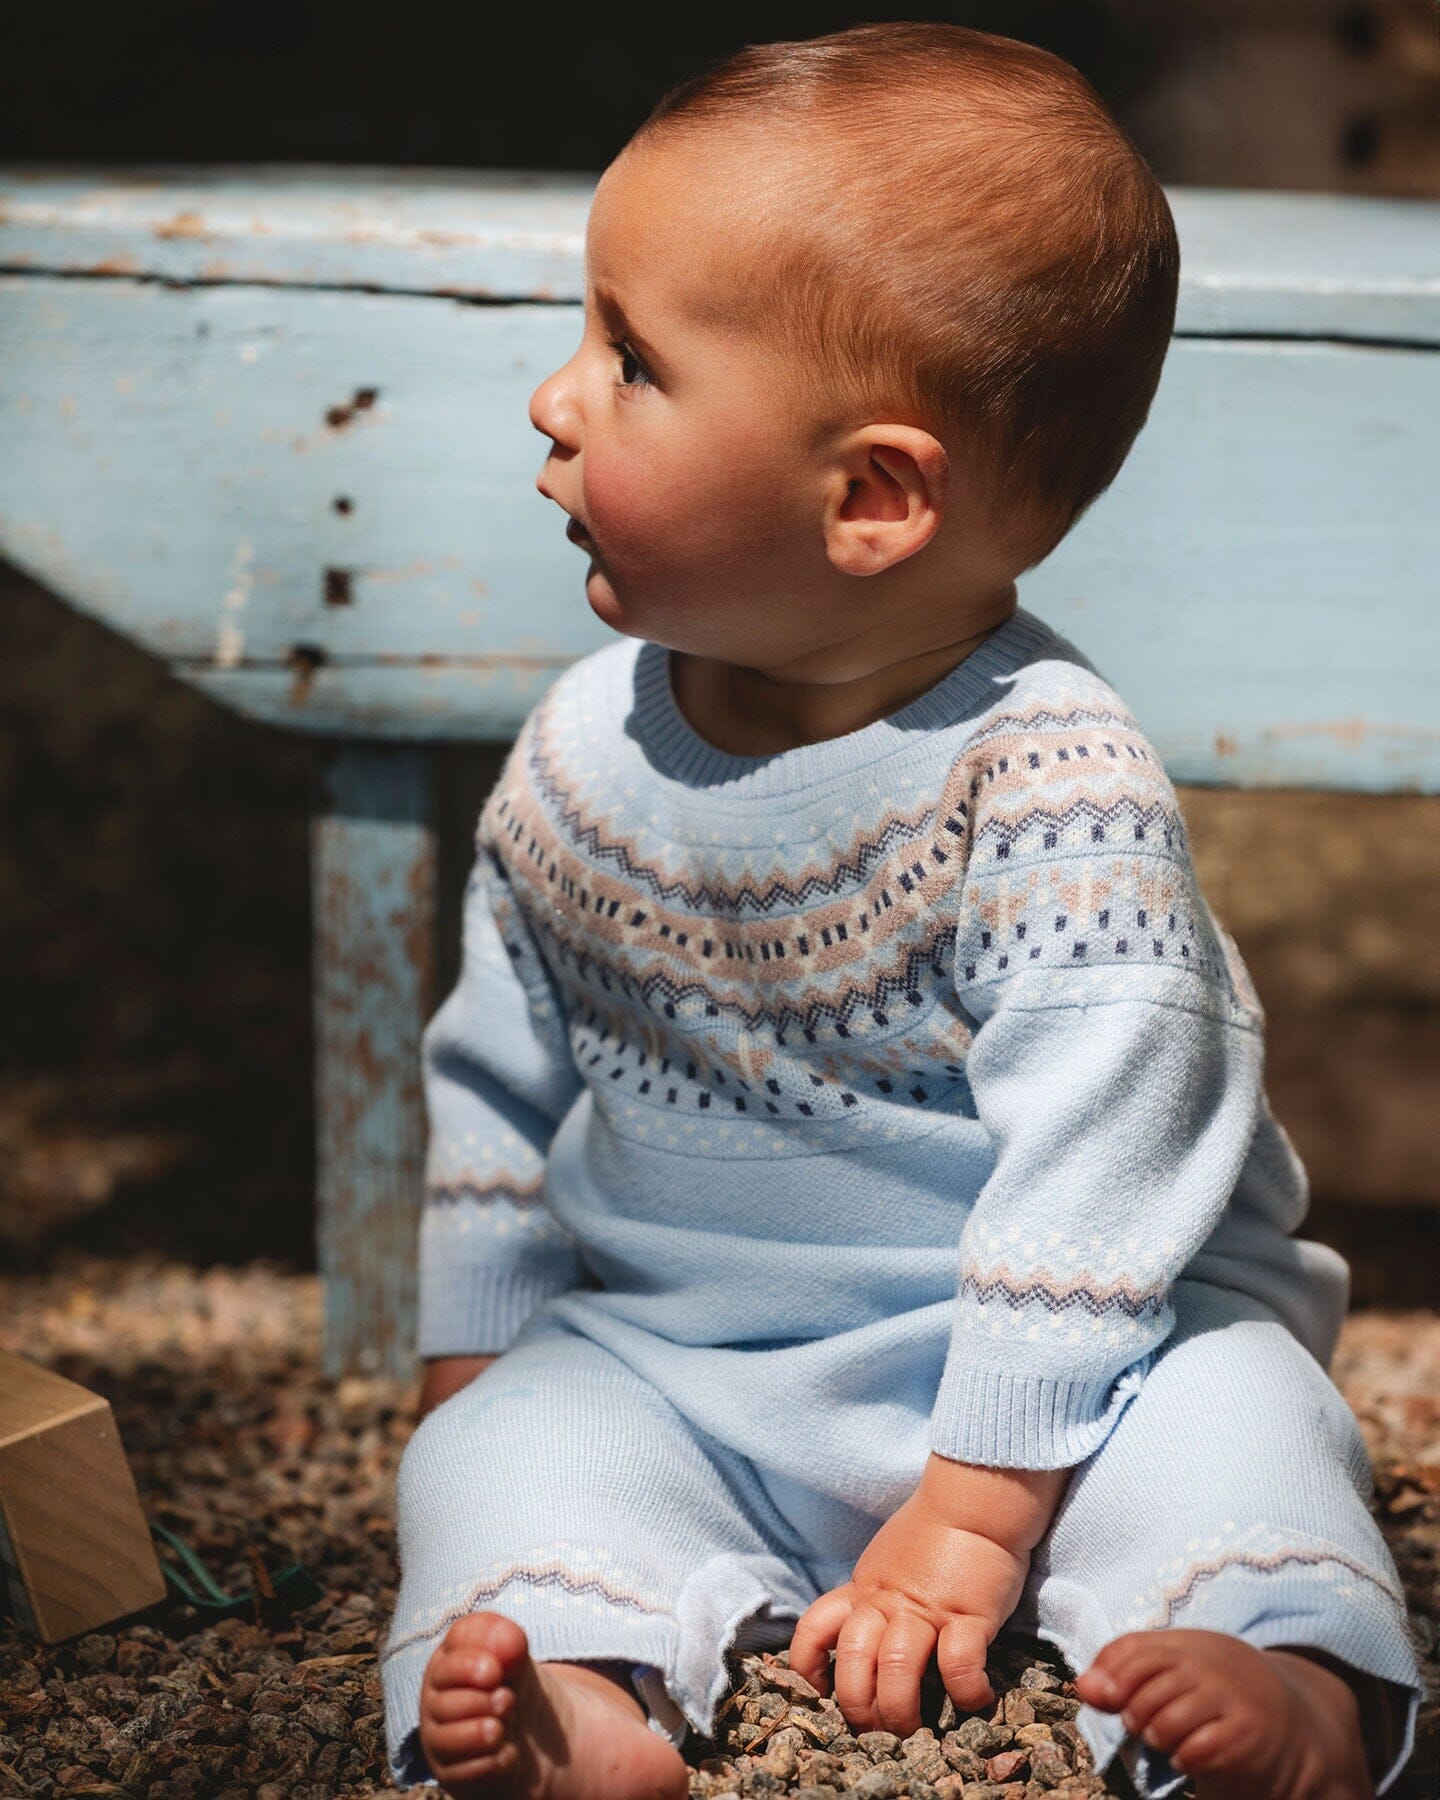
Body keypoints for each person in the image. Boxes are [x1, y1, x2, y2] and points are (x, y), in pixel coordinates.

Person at [377, 23, 1422, 1799]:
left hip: (1085, 1376)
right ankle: (573, 1699)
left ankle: (1288, 1679)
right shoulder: (578, 754)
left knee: (1245, 1432)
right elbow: (496, 1070)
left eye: (629, 361)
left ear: (868, 496)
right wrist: (478, 1357)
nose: (556, 398)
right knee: (506, 1459)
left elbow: (1106, 1183)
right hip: (692, 1354)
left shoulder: (1049, 790)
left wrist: (970, 1517)